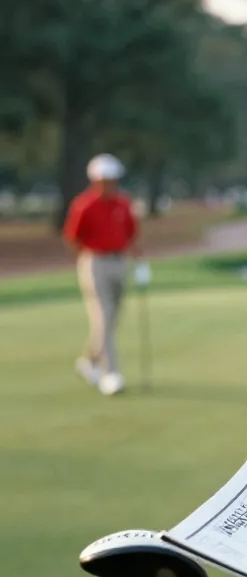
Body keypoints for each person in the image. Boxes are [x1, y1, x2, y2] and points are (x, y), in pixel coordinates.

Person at [63, 153, 147, 396]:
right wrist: (88, 260)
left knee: (113, 318)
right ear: (95, 180)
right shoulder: (84, 205)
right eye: (106, 179)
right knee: (103, 316)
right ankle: (111, 374)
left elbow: (131, 233)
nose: (111, 184)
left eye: (114, 179)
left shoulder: (123, 203)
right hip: (94, 262)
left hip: (120, 261)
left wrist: (139, 259)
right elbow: (72, 238)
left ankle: (89, 360)